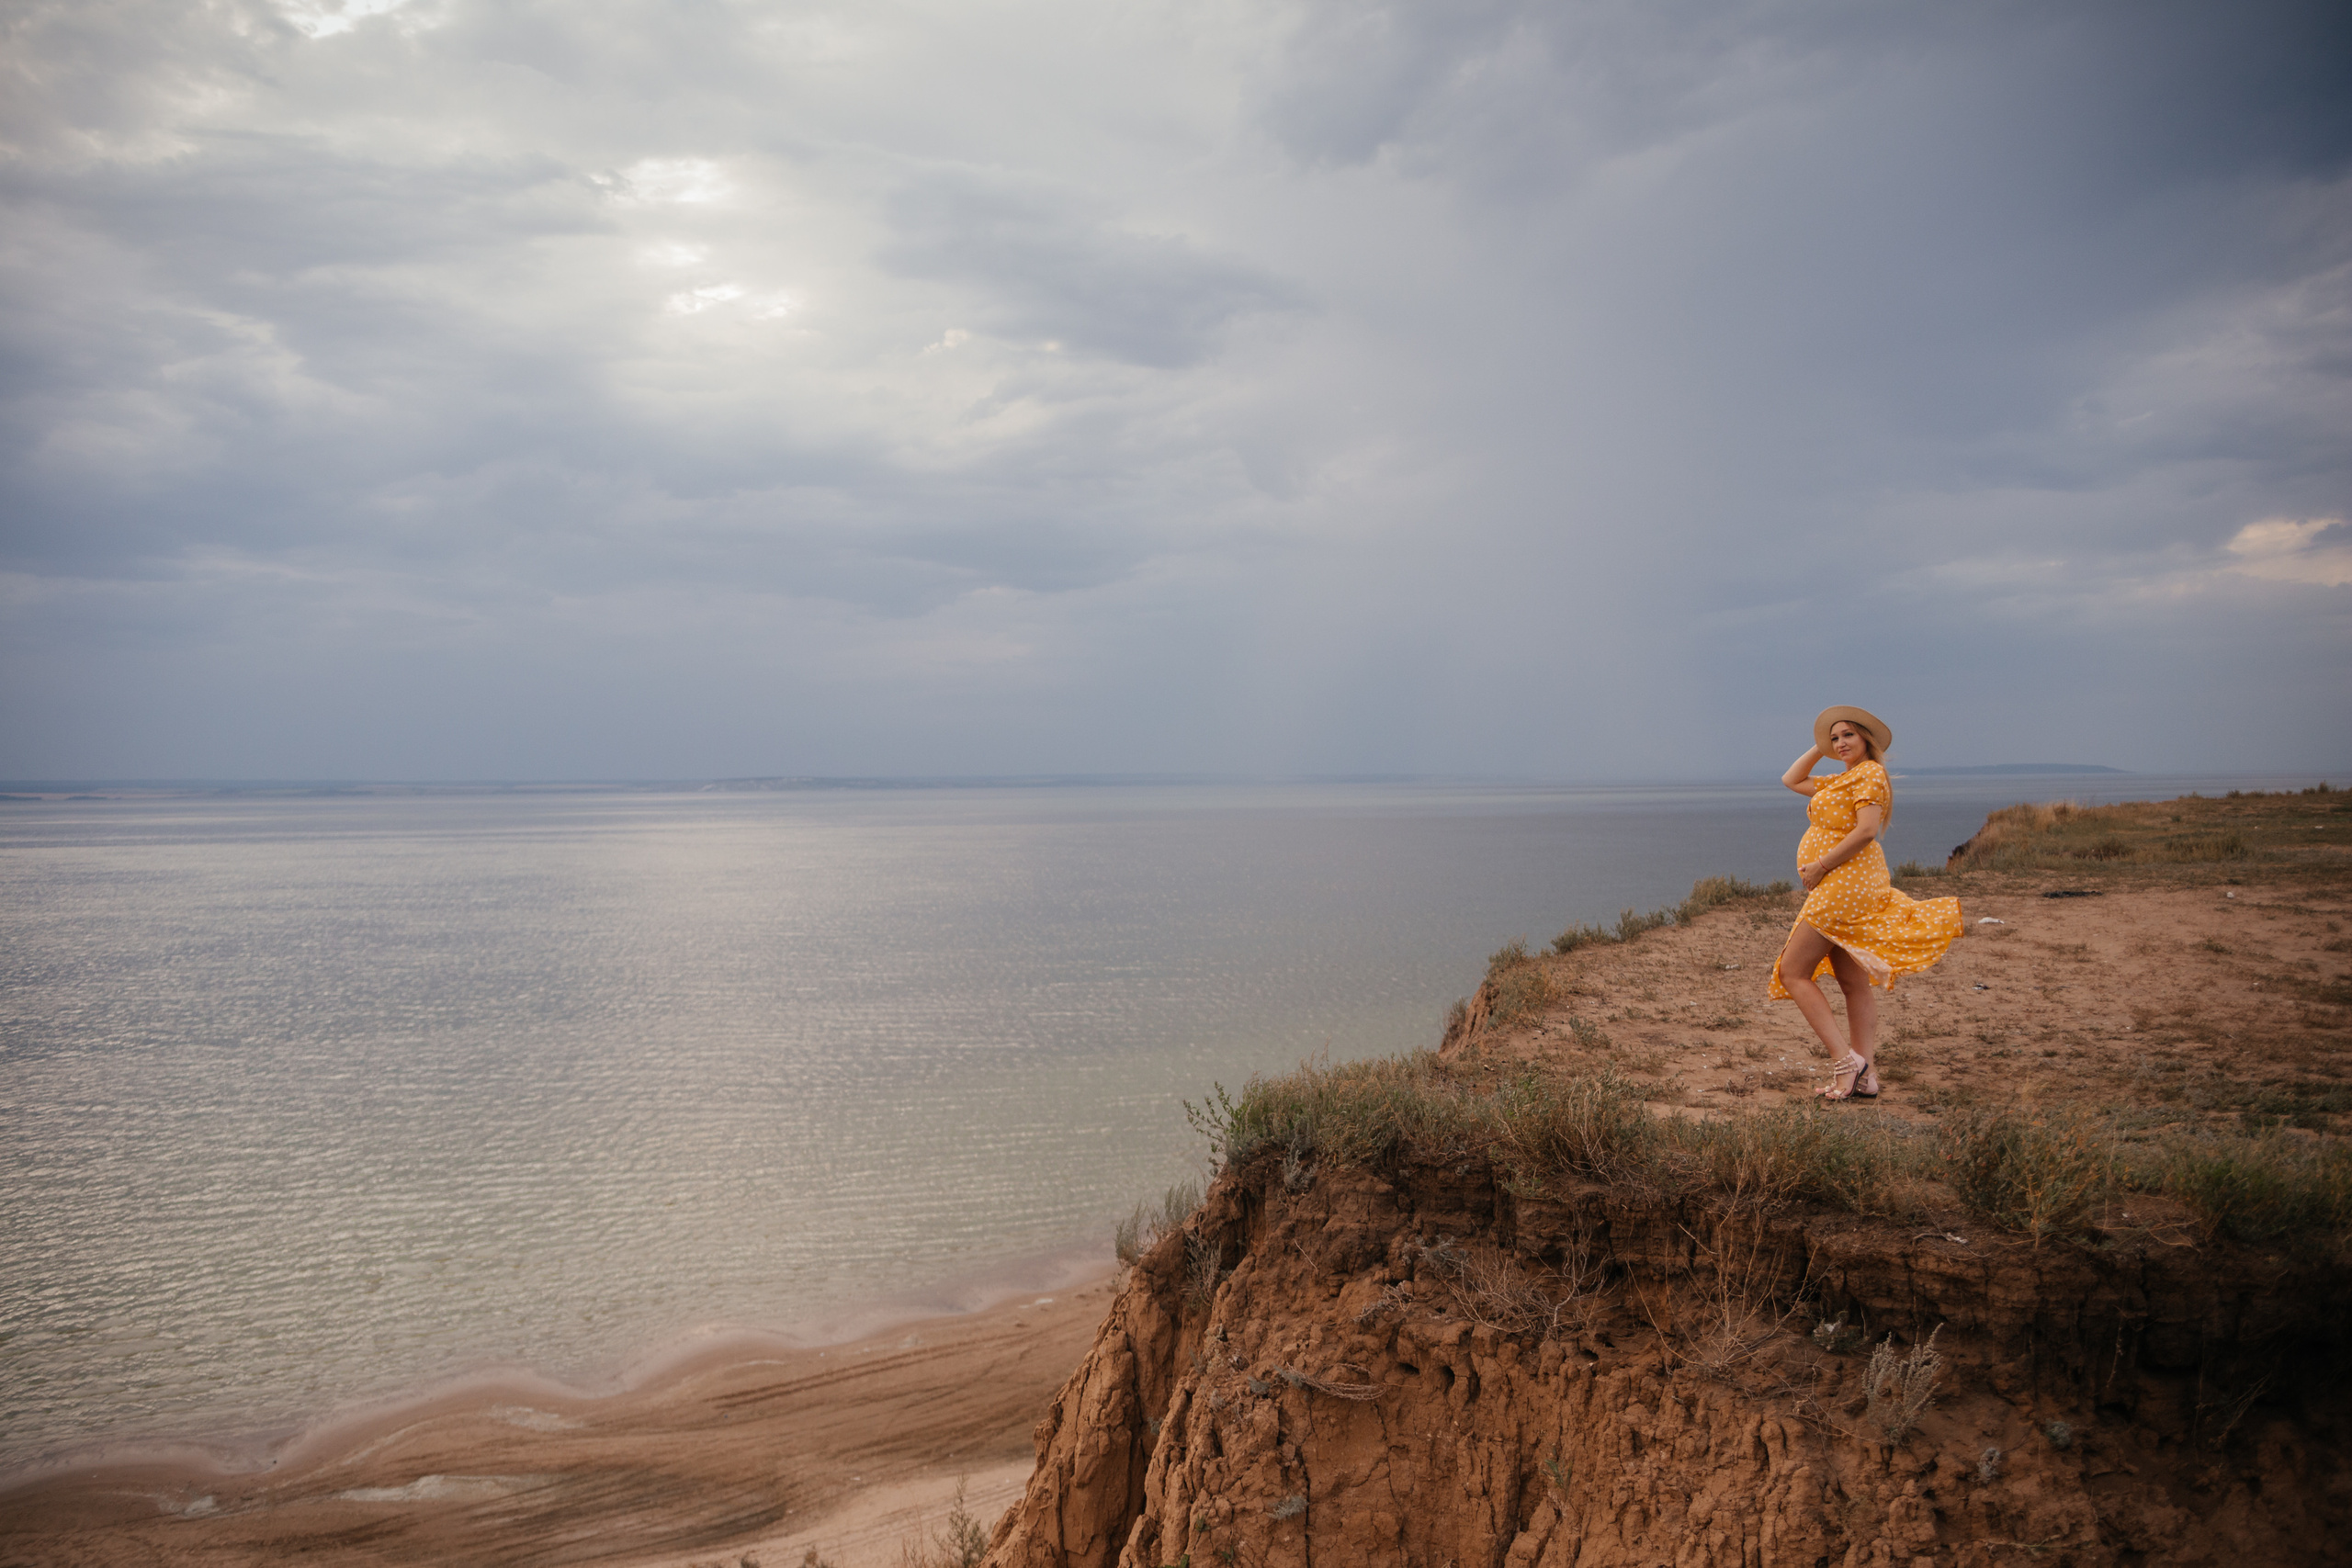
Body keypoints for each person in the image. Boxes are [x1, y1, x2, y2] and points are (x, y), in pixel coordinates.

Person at [1769, 705, 1963, 1100]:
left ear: (1866, 740)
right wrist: (1822, 746)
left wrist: (1820, 866)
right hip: (1841, 885)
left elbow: (1867, 830)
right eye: (1835, 737)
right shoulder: (1842, 779)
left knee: (1793, 972)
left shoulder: (1871, 773)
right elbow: (1791, 779)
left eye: (1848, 736)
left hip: (1844, 885)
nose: (1840, 743)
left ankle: (1847, 1061)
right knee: (1852, 981)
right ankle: (1867, 1076)